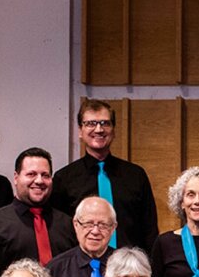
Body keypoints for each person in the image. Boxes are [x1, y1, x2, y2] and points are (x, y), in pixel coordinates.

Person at [51, 99, 159, 252]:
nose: (99, 129)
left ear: (113, 130)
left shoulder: (136, 176)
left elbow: (150, 230)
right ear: (80, 131)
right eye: (90, 124)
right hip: (82, 268)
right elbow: (59, 233)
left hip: (129, 268)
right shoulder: (64, 179)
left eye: (105, 123)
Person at [0, 147, 78, 272]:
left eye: (45, 175)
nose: (39, 180)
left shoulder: (68, 225)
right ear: (16, 177)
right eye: (31, 174)